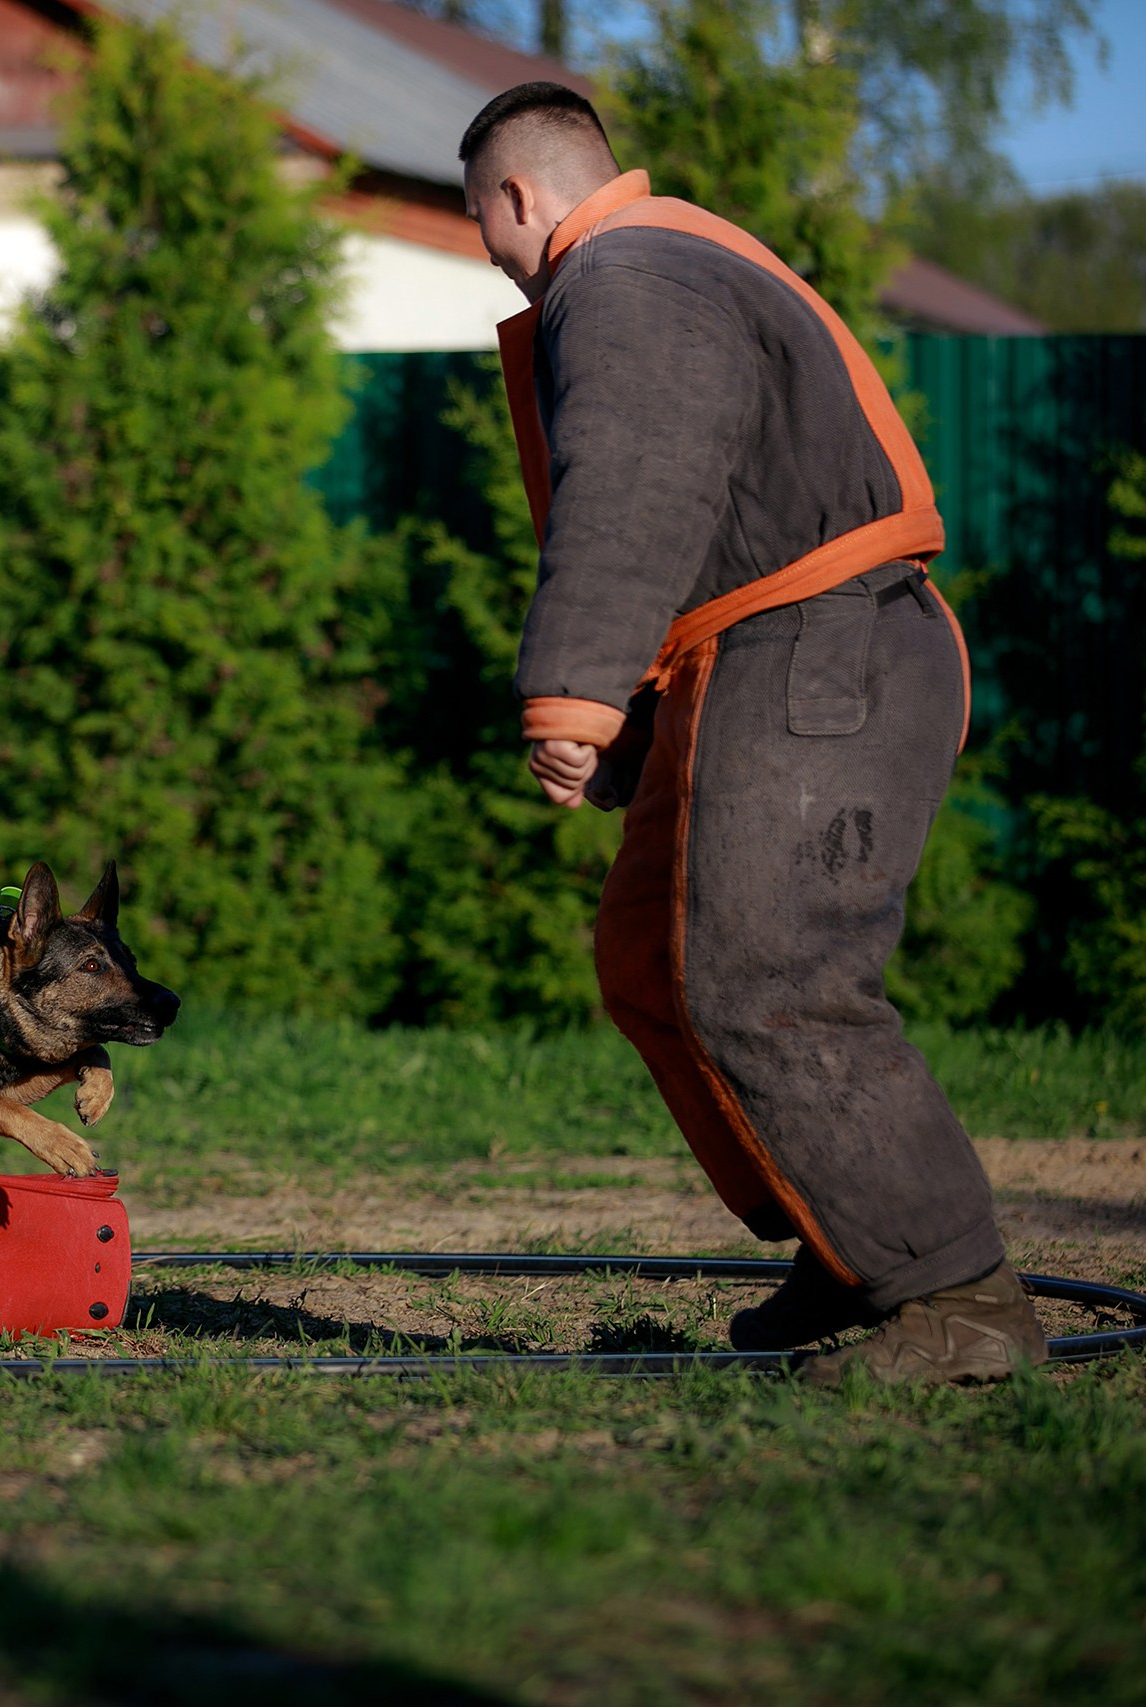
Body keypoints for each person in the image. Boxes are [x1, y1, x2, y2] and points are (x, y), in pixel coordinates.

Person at [457, 84, 1048, 1384]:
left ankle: (957, 1292)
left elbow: (639, 478)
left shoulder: (622, 272)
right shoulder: (669, 255)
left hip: (818, 651)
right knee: (655, 956)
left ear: (516, 196)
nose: (490, 256)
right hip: (799, 646)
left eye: (481, 225)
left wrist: (573, 695)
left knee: (768, 975)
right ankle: (854, 1241)